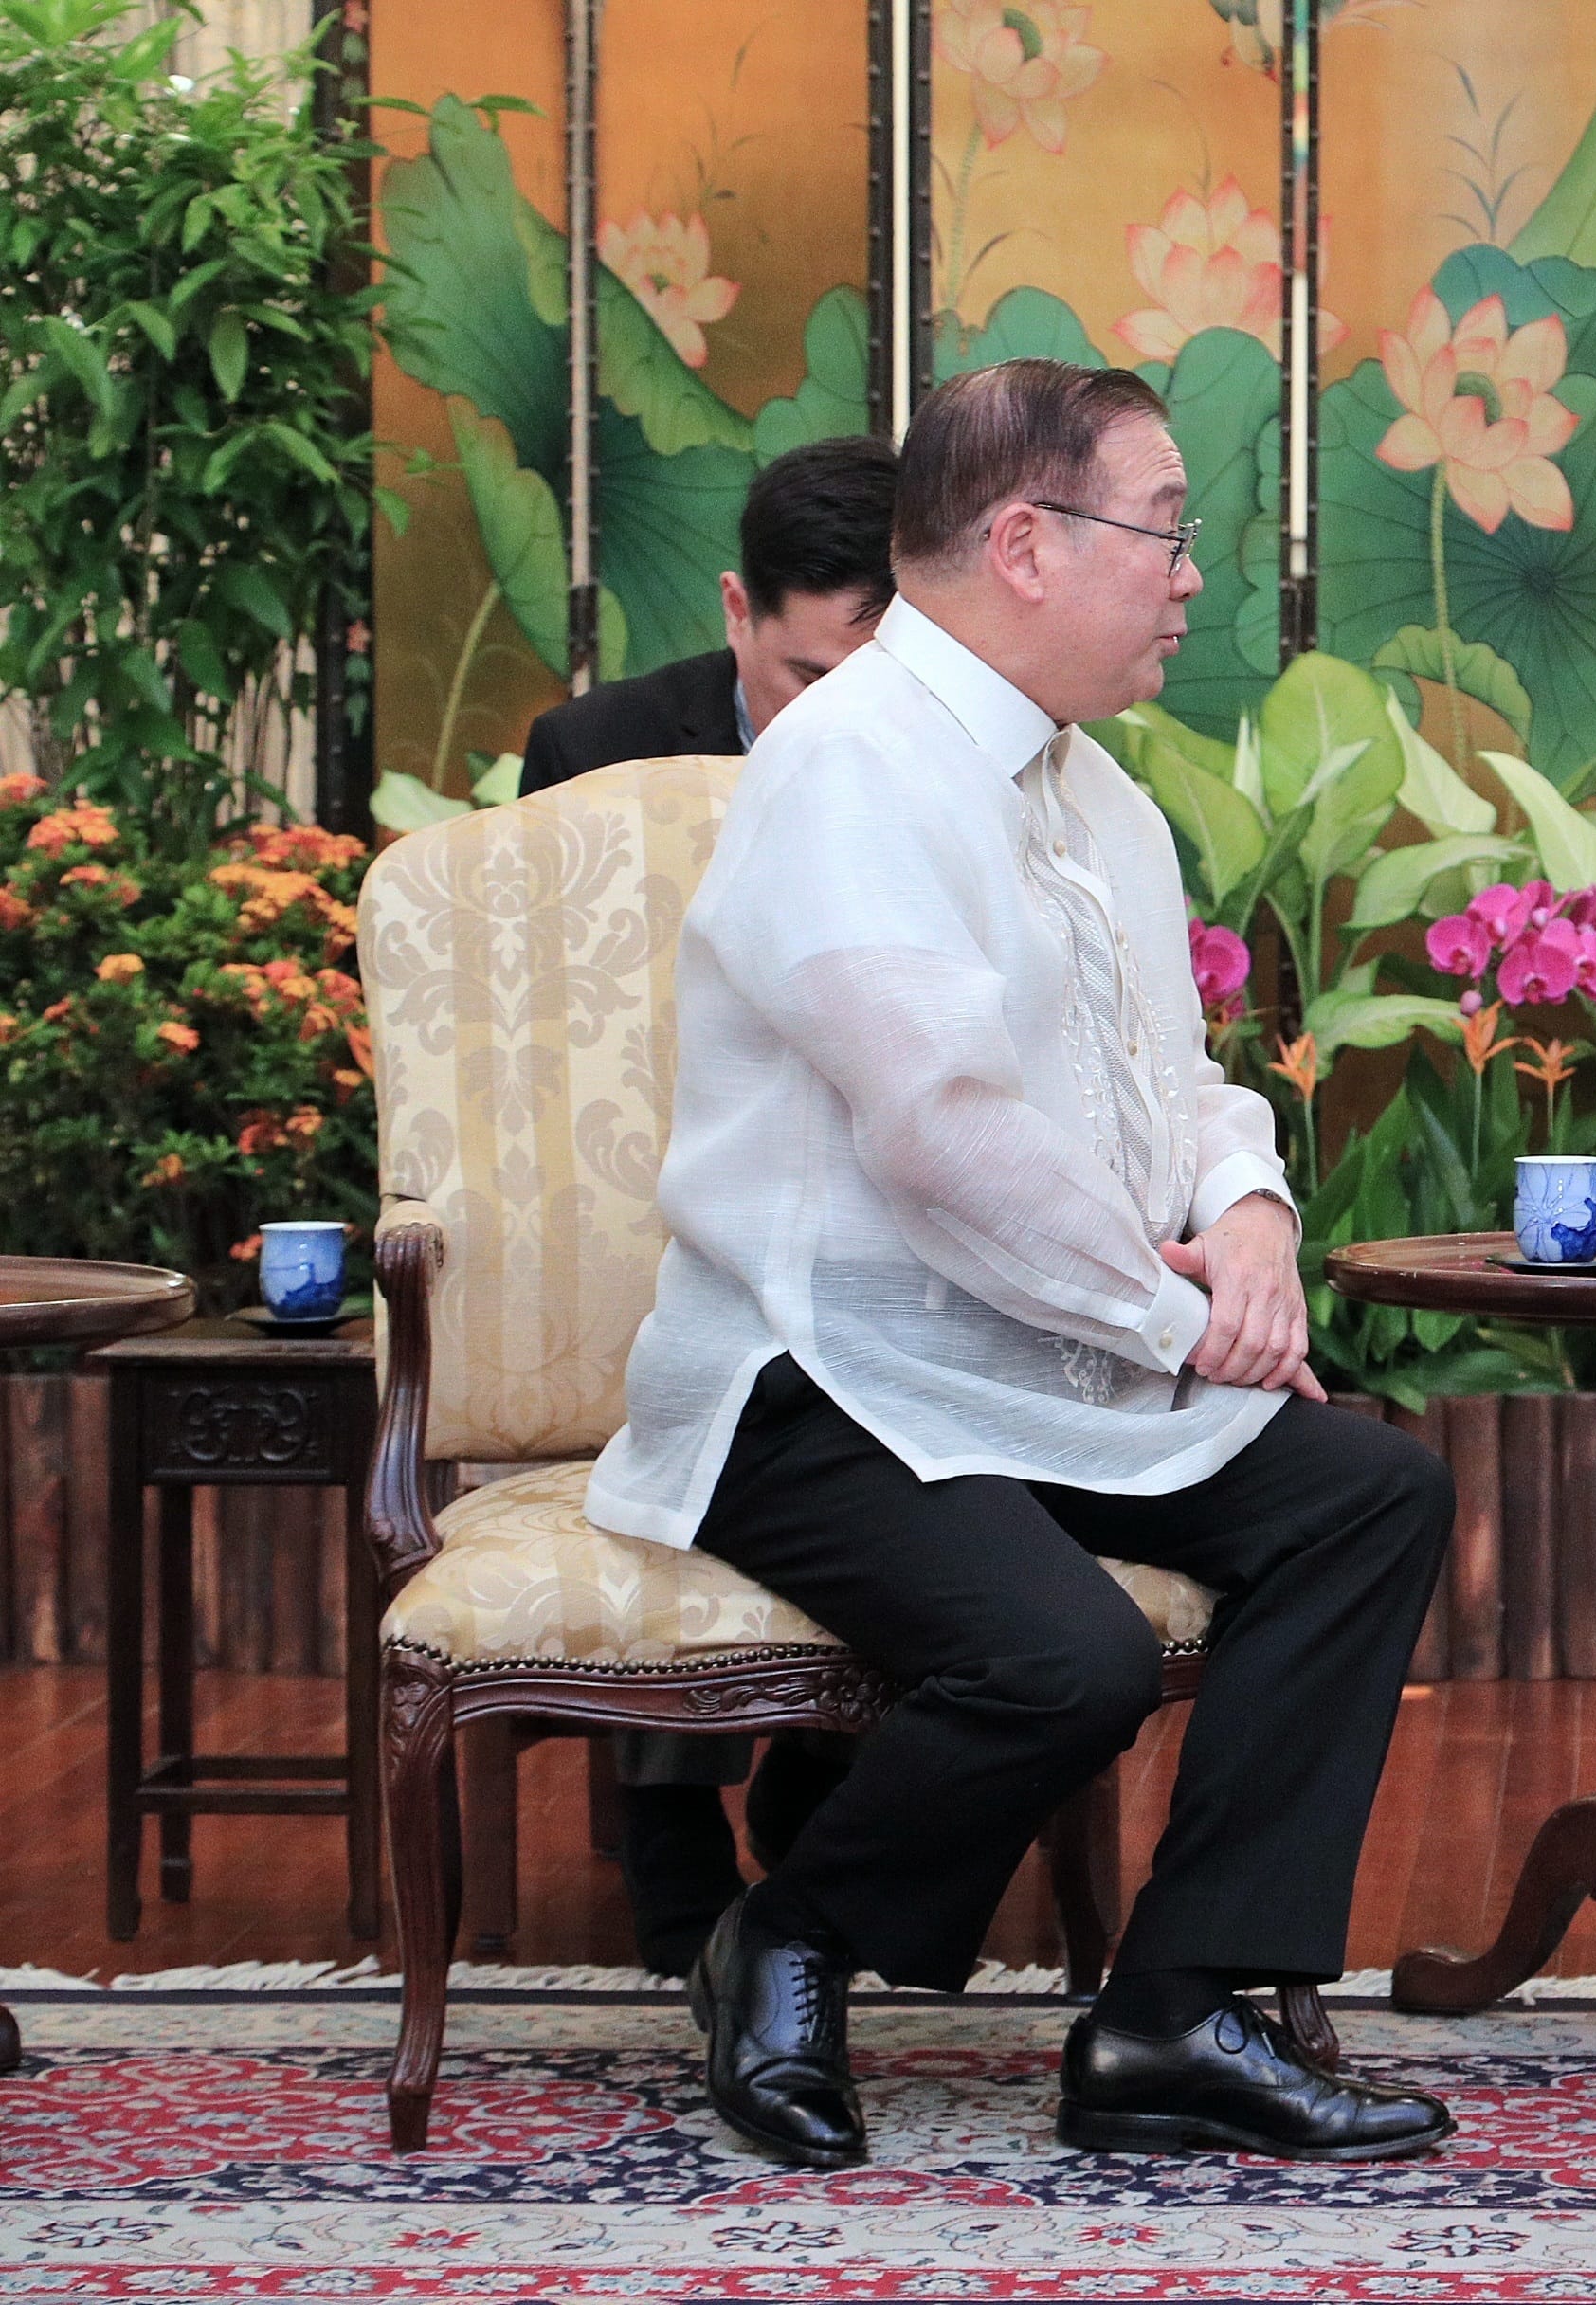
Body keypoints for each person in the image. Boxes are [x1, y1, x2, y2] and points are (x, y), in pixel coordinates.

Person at [586, 357, 1457, 2170]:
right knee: (1062, 1658)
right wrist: (1182, 1320)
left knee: (1362, 1493)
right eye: (1166, 529)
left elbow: (1184, 1084)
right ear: (1024, 544)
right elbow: (941, 1133)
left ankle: (1177, 2010)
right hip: (816, 1371)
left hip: (1043, 1350)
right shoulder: (851, 769)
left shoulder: (1099, 802)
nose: (1192, 576)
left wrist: (1252, 1223)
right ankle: (792, 1934)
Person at [515, 433, 904, 1977]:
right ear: (741, 612)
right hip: (648, 1211)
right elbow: (538, 1049)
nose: (841, 718)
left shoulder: (935, 752)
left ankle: (824, 1787)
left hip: (880, 1215)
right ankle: (676, 1868)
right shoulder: (595, 748)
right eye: (808, 674)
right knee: (677, 1387)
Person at [517, 432, 899, 797]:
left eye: (885, 684)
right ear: (738, 611)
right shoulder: (592, 758)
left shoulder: (954, 755)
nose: (848, 720)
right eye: (813, 682)